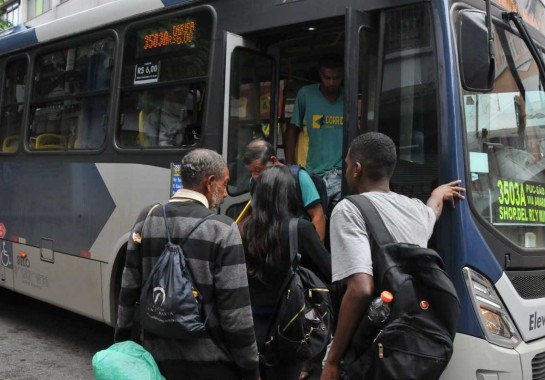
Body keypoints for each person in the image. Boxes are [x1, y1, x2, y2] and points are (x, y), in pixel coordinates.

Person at [320, 132, 466, 380]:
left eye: (346, 164)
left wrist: (333, 359)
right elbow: (434, 210)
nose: (345, 170)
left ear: (357, 169)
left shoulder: (348, 209)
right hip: (407, 350)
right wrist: (438, 194)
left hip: (369, 346)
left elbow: (361, 289)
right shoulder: (415, 210)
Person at [115, 149, 260, 380]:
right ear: (210, 183)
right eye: (225, 184)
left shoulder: (148, 217)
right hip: (210, 366)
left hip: (155, 362)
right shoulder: (223, 229)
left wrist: (121, 345)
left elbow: (129, 288)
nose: (224, 194)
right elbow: (235, 314)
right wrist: (251, 369)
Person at [241, 165, 332, 380]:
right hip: (289, 324)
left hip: (250, 323)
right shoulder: (299, 228)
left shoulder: (243, 229)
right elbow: (329, 272)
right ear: (288, 195)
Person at [285, 53, 344, 212]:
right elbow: (292, 130)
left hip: (340, 174)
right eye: (327, 77)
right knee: (312, 218)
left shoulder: (347, 97)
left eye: (336, 78)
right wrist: (290, 167)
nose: (331, 82)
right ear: (320, 75)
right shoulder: (306, 95)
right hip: (311, 174)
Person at [242, 138, 326, 241]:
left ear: (273, 160)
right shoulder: (254, 182)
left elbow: (318, 215)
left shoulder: (299, 177)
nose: (255, 176)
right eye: (251, 172)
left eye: (258, 170)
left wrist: (315, 249)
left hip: (298, 240)